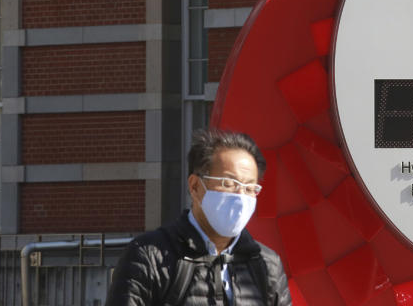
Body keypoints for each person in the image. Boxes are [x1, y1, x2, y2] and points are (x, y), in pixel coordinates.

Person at [106, 128, 291, 306]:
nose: (240, 197)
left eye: (250, 188)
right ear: (195, 186)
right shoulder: (149, 256)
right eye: (228, 183)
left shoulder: (266, 264)